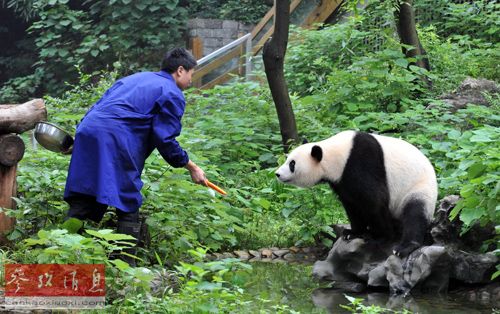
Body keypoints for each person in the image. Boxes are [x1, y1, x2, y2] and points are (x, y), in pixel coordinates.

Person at [63, 48, 206, 265]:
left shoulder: (136, 78)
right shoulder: (171, 92)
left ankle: (61, 251)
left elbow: (100, 105)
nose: (191, 80)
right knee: (128, 201)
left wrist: (82, 140)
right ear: (180, 70)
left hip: (88, 130)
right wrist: (191, 167)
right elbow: (165, 139)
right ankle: (125, 268)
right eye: (191, 74)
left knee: (83, 197)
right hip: (115, 138)